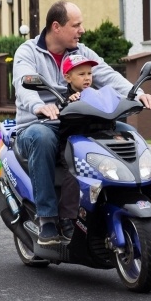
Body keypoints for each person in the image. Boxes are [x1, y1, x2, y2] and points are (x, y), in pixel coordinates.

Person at [12, 0, 151, 245]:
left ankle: (121, 196)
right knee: (43, 138)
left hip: (79, 122)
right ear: (56, 27)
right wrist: (39, 106)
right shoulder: (28, 52)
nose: (82, 30)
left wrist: (136, 93)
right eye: (76, 25)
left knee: (126, 132)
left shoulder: (82, 53)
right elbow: (22, 83)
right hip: (39, 125)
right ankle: (47, 218)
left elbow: (108, 76)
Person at [54, 53, 100, 241]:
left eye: (89, 73)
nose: (87, 77)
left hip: (95, 145)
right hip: (71, 146)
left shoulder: (97, 94)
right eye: (81, 74)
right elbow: (60, 111)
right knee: (75, 172)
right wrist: (69, 103)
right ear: (68, 77)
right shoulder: (66, 97)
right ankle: (67, 218)